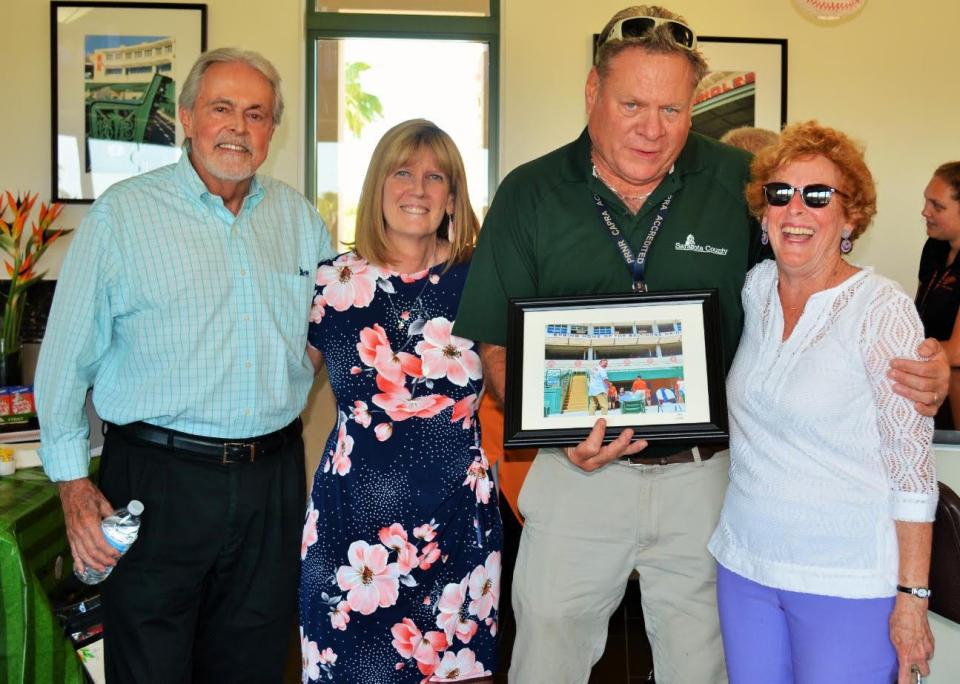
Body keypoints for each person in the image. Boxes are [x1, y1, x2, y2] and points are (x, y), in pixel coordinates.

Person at [452, 6, 949, 683]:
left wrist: (916, 369)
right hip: (577, 477)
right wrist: (564, 432)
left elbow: (806, 281)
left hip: (707, 482)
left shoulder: (737, 185)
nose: (652, 129)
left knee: (703, 665)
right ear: (593, 92)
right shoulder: (529, 193)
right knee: (548, 656)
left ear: (694, 108)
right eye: (632, 103)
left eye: (672, 109)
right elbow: (496, 346)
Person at [34, 48, 333, 682]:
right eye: (222, 107)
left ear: (272, 129)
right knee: (151, 667)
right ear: (187, 116)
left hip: (270, 479)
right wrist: (71, 484)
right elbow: (63, 361)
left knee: (251, 662)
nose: (238, 126)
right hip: (155, 481)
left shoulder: (300, 220)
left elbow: (329, 331)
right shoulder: (123, 216)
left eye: (256, 114)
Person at [709, 121, 938, 684]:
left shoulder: (881, 309)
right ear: (763, 212)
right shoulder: (756, 288)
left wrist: (912, 598)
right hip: (745, 566)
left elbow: (912, 471)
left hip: (846, 581)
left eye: (818, 196)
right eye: (780, 193)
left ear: (851, 216)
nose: (796, 210)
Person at [298, 119, 502, 683]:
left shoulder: (481, 276)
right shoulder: (332, 283)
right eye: (403, 172)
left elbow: (519, 379)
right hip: (349, 539)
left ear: (454, 196)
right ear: (377, 187)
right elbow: (284, 388)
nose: (419, 188)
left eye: (436, 176)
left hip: (457, 528)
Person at [916, 161, 960, 428]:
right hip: (931, 384)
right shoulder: (934, 248)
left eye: (937, 206)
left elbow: (957, 352)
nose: (925, 212)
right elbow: (919, 317)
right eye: (926, 201)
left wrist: (893, 350)